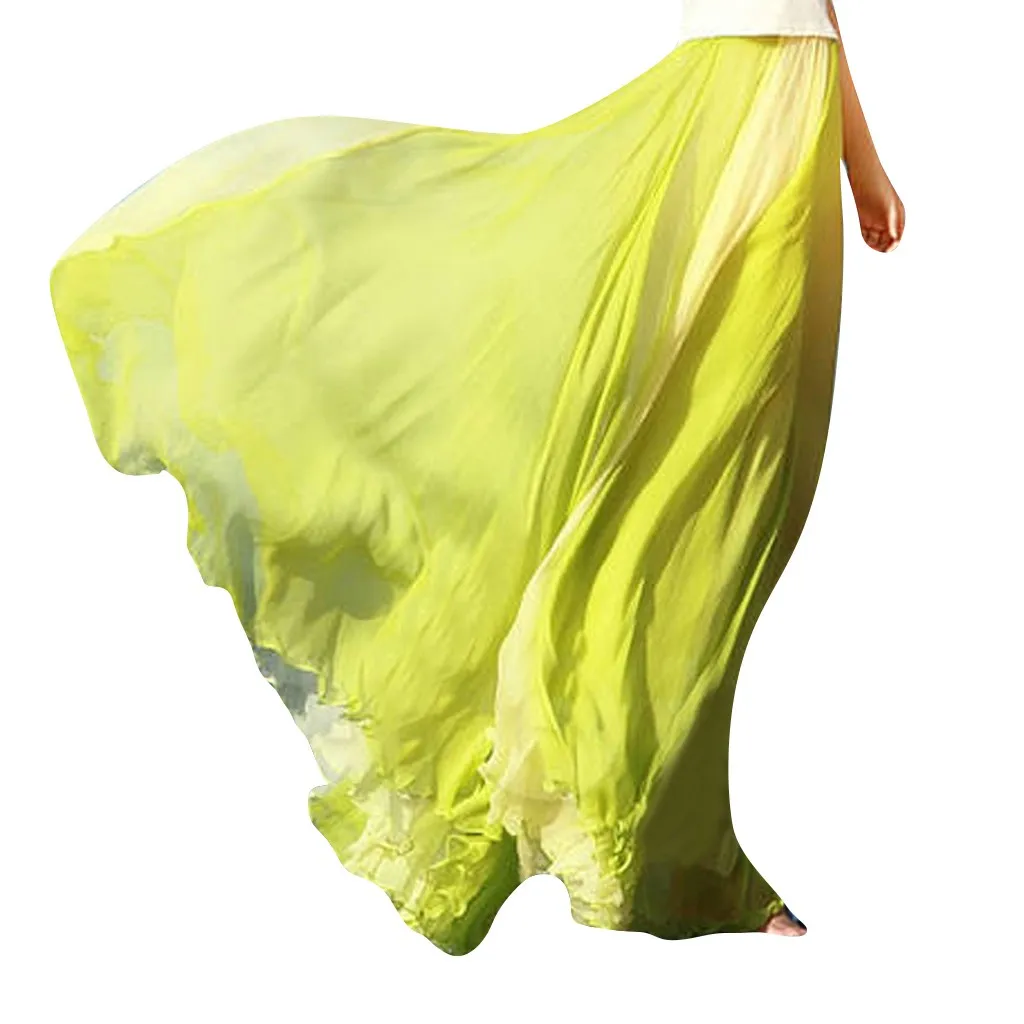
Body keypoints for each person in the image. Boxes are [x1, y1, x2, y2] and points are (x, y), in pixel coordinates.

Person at [50, 0, 904, 954]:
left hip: (790, 107)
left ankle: (644, 827)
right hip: (729, 102)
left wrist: (857, 157)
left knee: (738, 504)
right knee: (683, 488)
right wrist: (848, 149)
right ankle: (626, 824)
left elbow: (819, 12)